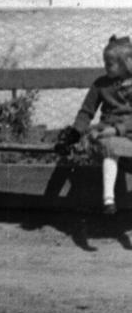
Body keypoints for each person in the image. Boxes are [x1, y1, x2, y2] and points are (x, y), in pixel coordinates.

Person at [55, 34, 132, 215]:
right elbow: (87, 112)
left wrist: (118, 129)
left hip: (128, 131)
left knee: (113, 145)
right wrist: (75, 133)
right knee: (109, 146)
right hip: (107, 133)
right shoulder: (100, 85)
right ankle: (108, 199)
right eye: (104, 62)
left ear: (124, 64)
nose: (105, 67)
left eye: (110, 63)